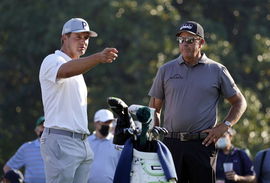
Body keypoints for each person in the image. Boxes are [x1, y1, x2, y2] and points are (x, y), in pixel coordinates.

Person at [148, 20, 247, 183]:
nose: (184, 44)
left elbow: (239, 102)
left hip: (201, 145)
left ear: (201, 42)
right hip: (171, 144)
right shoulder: (166, 70)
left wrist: (224, 127)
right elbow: (154, 109)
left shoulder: (216, 70)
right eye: (181, 40)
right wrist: (153, 139)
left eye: (190, 40)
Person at [39, 18, 118, 183]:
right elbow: (65, 71)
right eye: (78, 37)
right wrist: (98, 57)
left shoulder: (78, 69)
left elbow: (72, 69)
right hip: (61, 140)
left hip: (82, 142)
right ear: (64, 38)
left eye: (86, 38)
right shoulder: (52, 60)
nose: (83, 41)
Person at [3, 116, 45, 183]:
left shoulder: (59, 148)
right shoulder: (26, 148)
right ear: (36, 130)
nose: (45, 130)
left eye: (47, 128)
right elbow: (7, 168)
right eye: (42, 127)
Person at [87, 109, 121, 183]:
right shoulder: (86, 143)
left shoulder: (118, 144)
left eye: (110, 122)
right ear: (96, 123)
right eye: (105, 122)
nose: (108, 125)